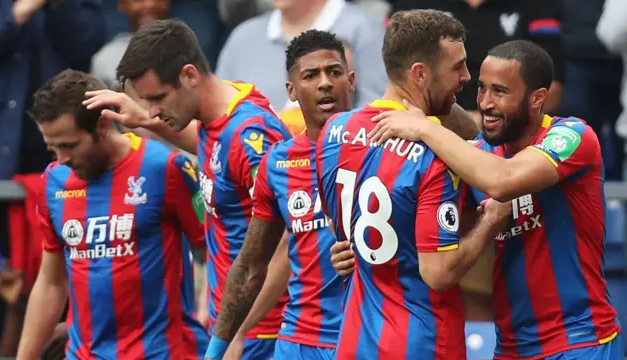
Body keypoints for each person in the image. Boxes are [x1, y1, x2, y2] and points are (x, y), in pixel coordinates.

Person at [367, 39, 624, 359]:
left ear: (537, 98)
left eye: (500, 91)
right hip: (510, 347)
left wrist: (425, 128)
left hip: (579, 341)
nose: (485, 103)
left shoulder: (573, 136)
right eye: (482, 88)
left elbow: (504, 180)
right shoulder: (480, 154)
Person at [82, 19, 293, 360]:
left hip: (262, 332)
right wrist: (146, 119)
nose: (152, 109)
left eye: (158, 98)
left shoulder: (252, 135)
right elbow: (218, 154)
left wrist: (234, 334)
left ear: (190, 76)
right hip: (235, 324)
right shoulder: (217, 118)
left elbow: (288, 241)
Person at [315, 9, 511, 359]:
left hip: (354, 340)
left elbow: (340, 225)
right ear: (420, 74)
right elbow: (438, 272)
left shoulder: (333, 133)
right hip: (424, 341)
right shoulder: (438, 157)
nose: (466, 76)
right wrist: (490, 223)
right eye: (457, 67)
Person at [17, 69, 209, 360]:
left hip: (163, 352)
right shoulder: (53, 182)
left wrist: (209, 310)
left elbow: (212, 248)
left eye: (70, 145)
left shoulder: (165, 168)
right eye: (52, 147)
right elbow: (52, 281)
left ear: (103, 125)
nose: (61, 159)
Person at [208, 29, 355, 360]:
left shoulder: (383, 144)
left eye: (334, 72)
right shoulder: (279, 162)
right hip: (297, 341)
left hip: (363, 335)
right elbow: (250, 265)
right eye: (311, 75)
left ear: (352, 80)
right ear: (291, 90)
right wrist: (218, 349)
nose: (325, 83)